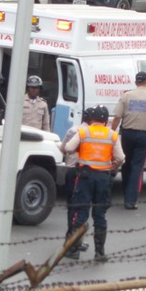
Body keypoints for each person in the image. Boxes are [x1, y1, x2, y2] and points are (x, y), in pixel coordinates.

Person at [64, 105, 125, 261]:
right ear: (105, 121)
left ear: (91, 119)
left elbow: (68, 148)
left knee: (81, 213)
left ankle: (74, 250)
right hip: (103, 178)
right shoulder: (112, 135)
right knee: (99, 215)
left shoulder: (84, 132)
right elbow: (121, 157)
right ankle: (99, 252)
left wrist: (80, 150)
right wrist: (112, 163)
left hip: (85, 176)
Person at [111, 71, 146, 210]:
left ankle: (126, 193)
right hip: (143, 136)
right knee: (137, 167)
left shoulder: (126, 95)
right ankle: (131, 199)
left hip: (127, 134)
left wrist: (110, 133)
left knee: (126, 164)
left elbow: (117, 117)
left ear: (136, 82)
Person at [61, 108, 94, 254]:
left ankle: (72, 239)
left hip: (70, 171)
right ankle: (74, 240)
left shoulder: (72, 130)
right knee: (82, 209)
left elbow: (63, 149)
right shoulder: (92, 133)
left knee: (72, 207)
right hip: (84, 172)